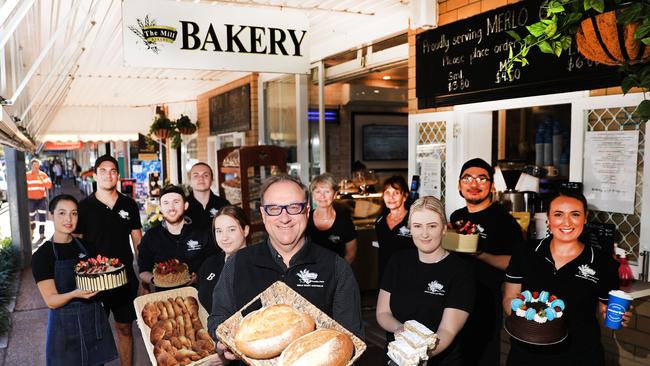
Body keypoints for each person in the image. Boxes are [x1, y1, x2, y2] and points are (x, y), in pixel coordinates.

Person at [208, 174, 364, 360]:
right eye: (274, 209)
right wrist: (222, 343)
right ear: (263, 214)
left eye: (293, 207)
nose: (285, 218)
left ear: (306, 211)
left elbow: (352, 339)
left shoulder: (336, 267)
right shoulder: (238, 263)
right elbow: (218, 319)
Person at [503, 190, 632, 365]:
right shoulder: (525, 252)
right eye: (558, 214)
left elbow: (606, 311)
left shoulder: (603, 263)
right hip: (527, 353)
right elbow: (510, 297)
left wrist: (617, 316)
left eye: (575, 214)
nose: (566, 222)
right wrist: (530, 321)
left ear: (585, 218)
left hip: (580, 355)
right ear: (548, 218)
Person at [377, 196, 474, 365]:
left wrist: (417, 356)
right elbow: (382, 313)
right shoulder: (398, 261)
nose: (424, 234)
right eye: (417, 226)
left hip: (437, 360)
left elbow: (447, 331)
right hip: (397, 357)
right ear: (410, 229)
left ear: (444, 228)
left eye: (432, 226)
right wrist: (401, 331)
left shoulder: (460, 271)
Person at [450, 158, 522, 366]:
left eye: (482, 179)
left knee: (483, 357)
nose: (474, 184)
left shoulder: (504, 221)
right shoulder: (457, 216)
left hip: (485, 301)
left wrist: (480, 254)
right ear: (459, 185)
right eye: (468, 179)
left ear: (491, 186)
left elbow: (515, 264)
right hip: (455, 297)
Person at [32, 194, 118, 366]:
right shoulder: (43, 255)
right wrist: (76, 294)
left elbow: (100, 278)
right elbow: (51, 301)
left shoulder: (88, 247)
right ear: (51, 215)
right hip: (65, 327)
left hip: (93, 321)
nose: (69, 219)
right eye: (62, 213)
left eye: (74, 213)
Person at [75, 155, 142, 366]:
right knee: (96, 332)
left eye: (112, 170)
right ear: (94, 175)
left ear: (118, 176)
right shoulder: (84, 207)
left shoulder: (128, 204)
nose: (108, 175)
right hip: (94, 281)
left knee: (124, 328)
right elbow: (75, 246)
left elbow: (138, 242)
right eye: (102, 171)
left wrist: (143, 278)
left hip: (124, 279)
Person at [138, 185, 217, 289]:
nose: (171, 208)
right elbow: (143, 271)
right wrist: (156, 280)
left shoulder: (202, 233)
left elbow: (215, 265)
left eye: (176, 202)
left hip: (199, 295)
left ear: (185, 205)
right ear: (160, 207)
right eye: (166, 203)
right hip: (164, 299)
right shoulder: (151, 236)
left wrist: (200, 277)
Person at [197, 205, 249, 312]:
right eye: (219, 231)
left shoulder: (259, 264)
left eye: (231, 230)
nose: (224, 237)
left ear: (245, 230)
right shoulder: (208, 265)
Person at [307, 173, 357, 263]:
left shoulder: (344, 221)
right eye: (318, 192)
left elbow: (350, 254)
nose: (322, 196)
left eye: (327, 191)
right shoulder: (305, 219)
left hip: (336, 273)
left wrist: (338, 274)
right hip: (308, 273)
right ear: (313, 195)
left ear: (334, 195)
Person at [375, 175, 415, 281]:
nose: (391, 197)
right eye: (387, 193)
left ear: (405, 196)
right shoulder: (380, 221)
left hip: (409, 276)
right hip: (385, 275)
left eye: (396, 193)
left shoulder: (413, 220)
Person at [186, 162, 230, 229]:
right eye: (196, 176)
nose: (201, 178)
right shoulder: (182, 206)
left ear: (211, 180)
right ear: (190, 181)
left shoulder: (224, 205)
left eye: (205, 175)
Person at [26, 158, 53, 241]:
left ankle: (42, 234)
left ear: (39, 166)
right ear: (31, 166)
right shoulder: (26, 175)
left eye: (37, 166)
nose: (36, 167)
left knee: (42, 217)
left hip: (41, 199)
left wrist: (40, 178)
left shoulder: (43, 175)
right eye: (34, 166)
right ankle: (32, 232)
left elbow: (49, 186)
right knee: (31, 217)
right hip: (30, 199)